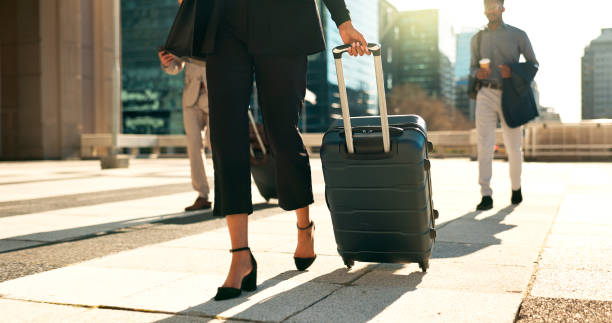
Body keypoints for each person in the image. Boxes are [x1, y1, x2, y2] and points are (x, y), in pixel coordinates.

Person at [200, 0, 370, 301]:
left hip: (284, 20)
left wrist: (342, 21)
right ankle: (240, 255)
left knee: (282, 131)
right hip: (224, 20)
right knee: (225, 135)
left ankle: (304, 226)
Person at [470, 0, 538, 211]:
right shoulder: (477, 38)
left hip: (511, 95)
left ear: (502, 8)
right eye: (487, 7)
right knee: (484, 144)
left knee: (514, 145)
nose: (490, 11)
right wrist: (477, 73)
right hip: (485, 92)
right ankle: (486, 194)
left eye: (494, 7)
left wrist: (514, 70)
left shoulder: (518, 34)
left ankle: (516, 188)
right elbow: (472, 67)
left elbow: (533, 63)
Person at [158, 0, 212, 212]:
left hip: (215, 94)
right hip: (190, 98)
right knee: (194, 147)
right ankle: (202, 195)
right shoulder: (180, 27)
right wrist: (167, 62)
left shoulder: (211, 20)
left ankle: (226, 191)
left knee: (216, 144)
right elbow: (175, 68)